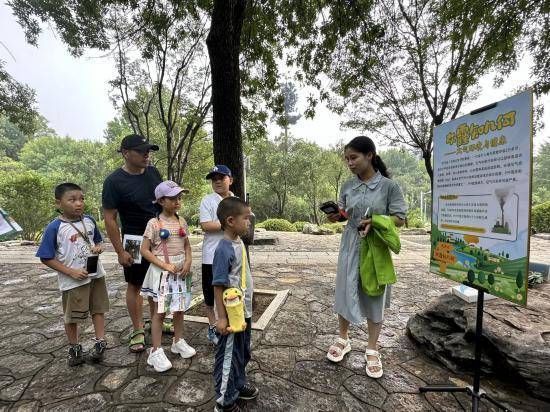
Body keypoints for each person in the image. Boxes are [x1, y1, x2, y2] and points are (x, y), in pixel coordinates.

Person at [326, 135, 407, 379]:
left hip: (375, 246)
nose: (349, 163)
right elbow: (343, 212)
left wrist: (376, 220)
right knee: (344, 288)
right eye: (347, 159)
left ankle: (372, 347)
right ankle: (343, 338)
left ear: (369, 155)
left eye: (354, 157)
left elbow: (400, 218)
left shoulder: (389, 187)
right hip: (350, 243)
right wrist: (336, 216)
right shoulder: (348, 186)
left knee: (374, 293)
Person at [36, 183, 109, 366]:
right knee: (72, 316)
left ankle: (100, 342)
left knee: (98, 309)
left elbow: (98, 241)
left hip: (96, 276)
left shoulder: (90, 220)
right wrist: (71, 272)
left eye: (81, 199)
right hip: (73, 281)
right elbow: (46, 257)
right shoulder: (55, 228)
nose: (79, 203)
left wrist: (99, 247)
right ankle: (74, 347)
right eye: (72, 199)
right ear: (58, 203)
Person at [102, 134, 162, 353]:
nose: (147, 155)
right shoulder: (113, 181)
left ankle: (156, 320)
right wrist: (119, 251)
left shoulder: (154, 172)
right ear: (126, 153)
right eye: (141, 151)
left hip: (158, 236)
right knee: (135, 285)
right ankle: (137, 329)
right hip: (134, 240)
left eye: (148, 150)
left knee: (157, 282)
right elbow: (109, 218)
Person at [139, 180, 196, 372]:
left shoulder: (182, 222)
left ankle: (177, 341)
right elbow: (144, 250)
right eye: (173, 198)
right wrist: (164, 264)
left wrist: (188, 261)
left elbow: (187, 245)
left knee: (179, 309)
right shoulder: (154, 224)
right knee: (160, 312)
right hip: (162, 272)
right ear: (161, 200)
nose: (177, 201)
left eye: (179, 198)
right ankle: (155, 351)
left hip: (180, 271)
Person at [212, 197, 258, 412]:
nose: (249, 222)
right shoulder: (223, 249)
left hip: (243, 311)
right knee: (229, 357)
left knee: (242, 352)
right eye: (246, 218)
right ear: (231, 220)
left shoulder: (238, 242)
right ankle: (224, 401)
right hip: (230, 315)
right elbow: (218, 285)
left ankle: (237, 385)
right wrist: (221, 317)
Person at [199, 165, 234, 345]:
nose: (218, 181)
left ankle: (229, 322)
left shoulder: (236, 200)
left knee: (231, 289)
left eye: (221, 177)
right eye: (214, 179)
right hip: (210, 255)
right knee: (210, 293)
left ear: (230, 180)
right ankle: (213, 326)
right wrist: (229, 224)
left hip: (232, 254)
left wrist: (234, 224)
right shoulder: (207, 200)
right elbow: (205, 225)